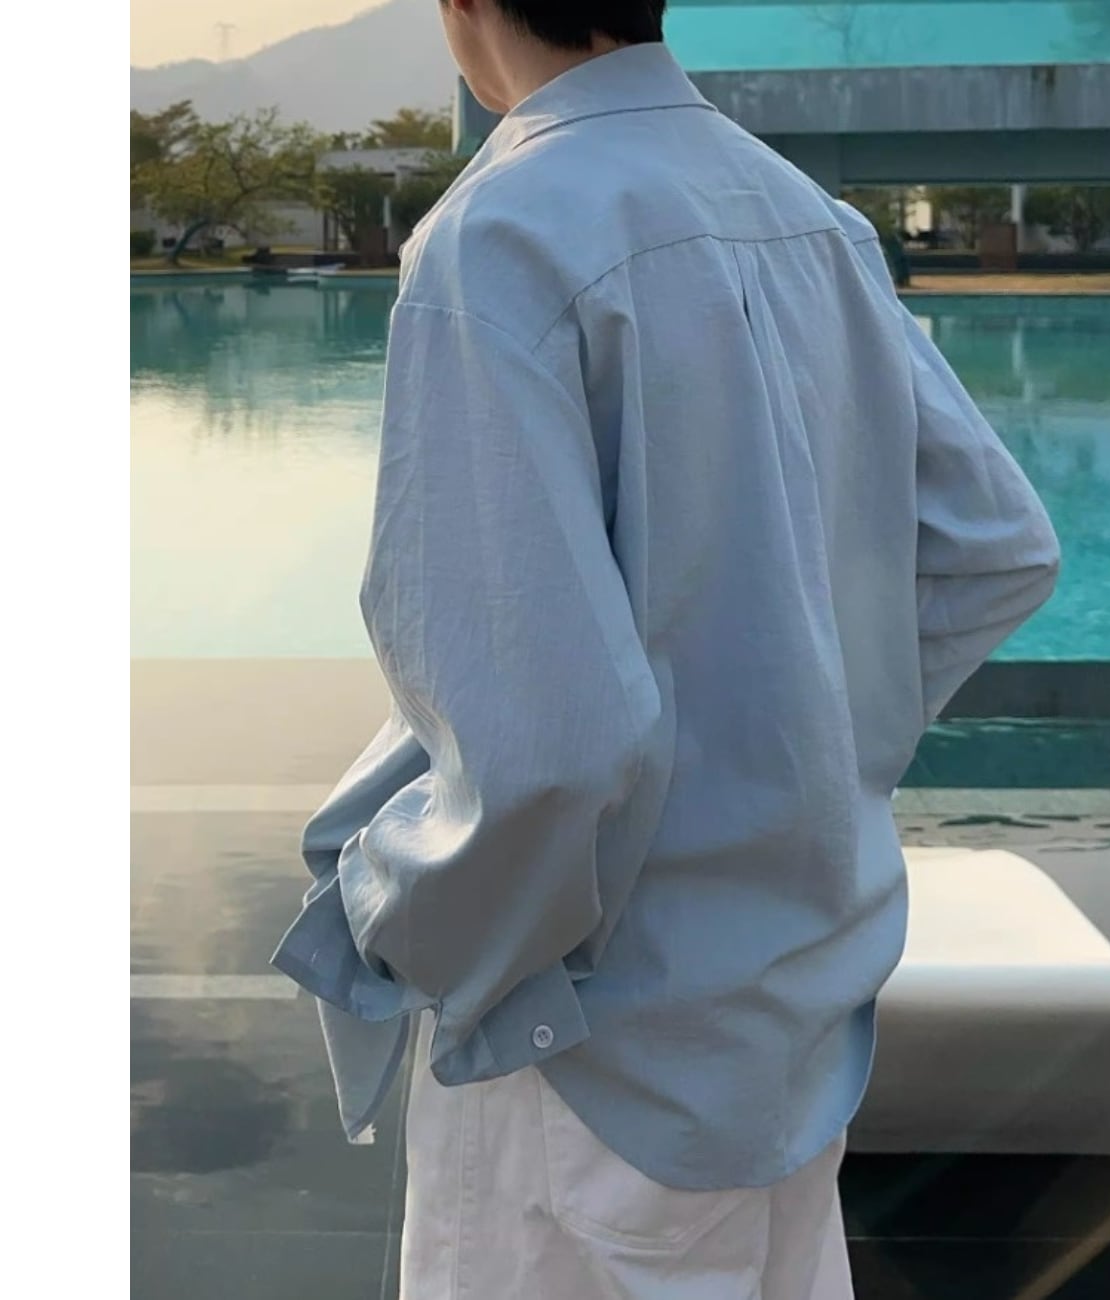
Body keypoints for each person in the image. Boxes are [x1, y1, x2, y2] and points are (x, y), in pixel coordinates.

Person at [271, 3, 1060, 1297]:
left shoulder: (502, 235)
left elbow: (545, 748)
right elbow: (994, 549)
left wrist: (403, 920)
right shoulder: (807, 215)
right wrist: (804, 741)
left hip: (582, 1042)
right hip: (792, 1007)